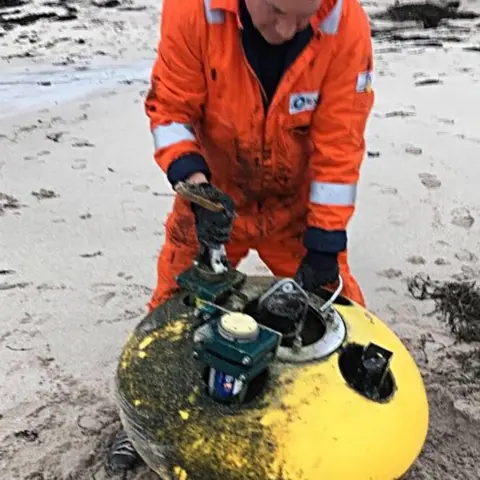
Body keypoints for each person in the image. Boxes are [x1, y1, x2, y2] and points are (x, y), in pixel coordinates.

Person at [108, 0, 374, 471]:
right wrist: (196, 188)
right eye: (275, 11)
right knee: (174, 303)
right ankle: (140, 420)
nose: (289, 28)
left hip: (294, 206)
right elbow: (170, 112)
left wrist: (326, 241)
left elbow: (341, 142)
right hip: (214, 195)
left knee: (341, 312)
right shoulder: (192, 12)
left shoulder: (344, 22)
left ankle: (349, 424)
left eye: (303, 15)